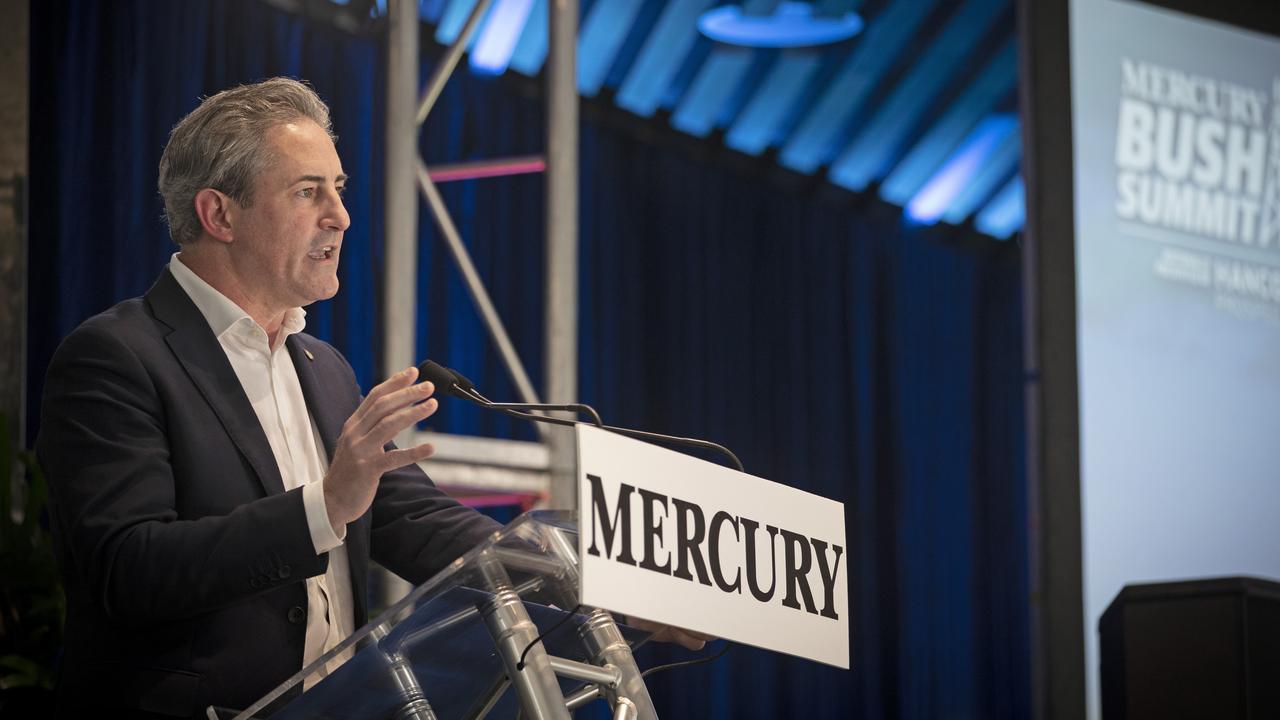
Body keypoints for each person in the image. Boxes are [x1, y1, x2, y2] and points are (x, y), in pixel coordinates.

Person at [38, 77, 498, 718]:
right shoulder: (116, 357)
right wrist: (324, 506)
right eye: (308, 192)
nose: (339, 214)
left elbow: (416, 521)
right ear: (219, 215)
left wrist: (600, 586)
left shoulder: (324, 368)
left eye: (338, 190)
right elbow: (129, 569)